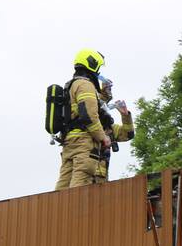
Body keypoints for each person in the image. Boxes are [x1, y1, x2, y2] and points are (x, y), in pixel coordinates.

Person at [54, 49, 131, 190]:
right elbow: (89, 115)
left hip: (69, 141)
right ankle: (72, 212)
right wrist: (103, 137)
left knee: (63, 187)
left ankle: (56, 212)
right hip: (83, 143)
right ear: (92, 64)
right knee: (80, 185)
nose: (98, 72)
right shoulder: (85, 85)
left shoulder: (72, 85)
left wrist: (104, 95)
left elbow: (88, 107)